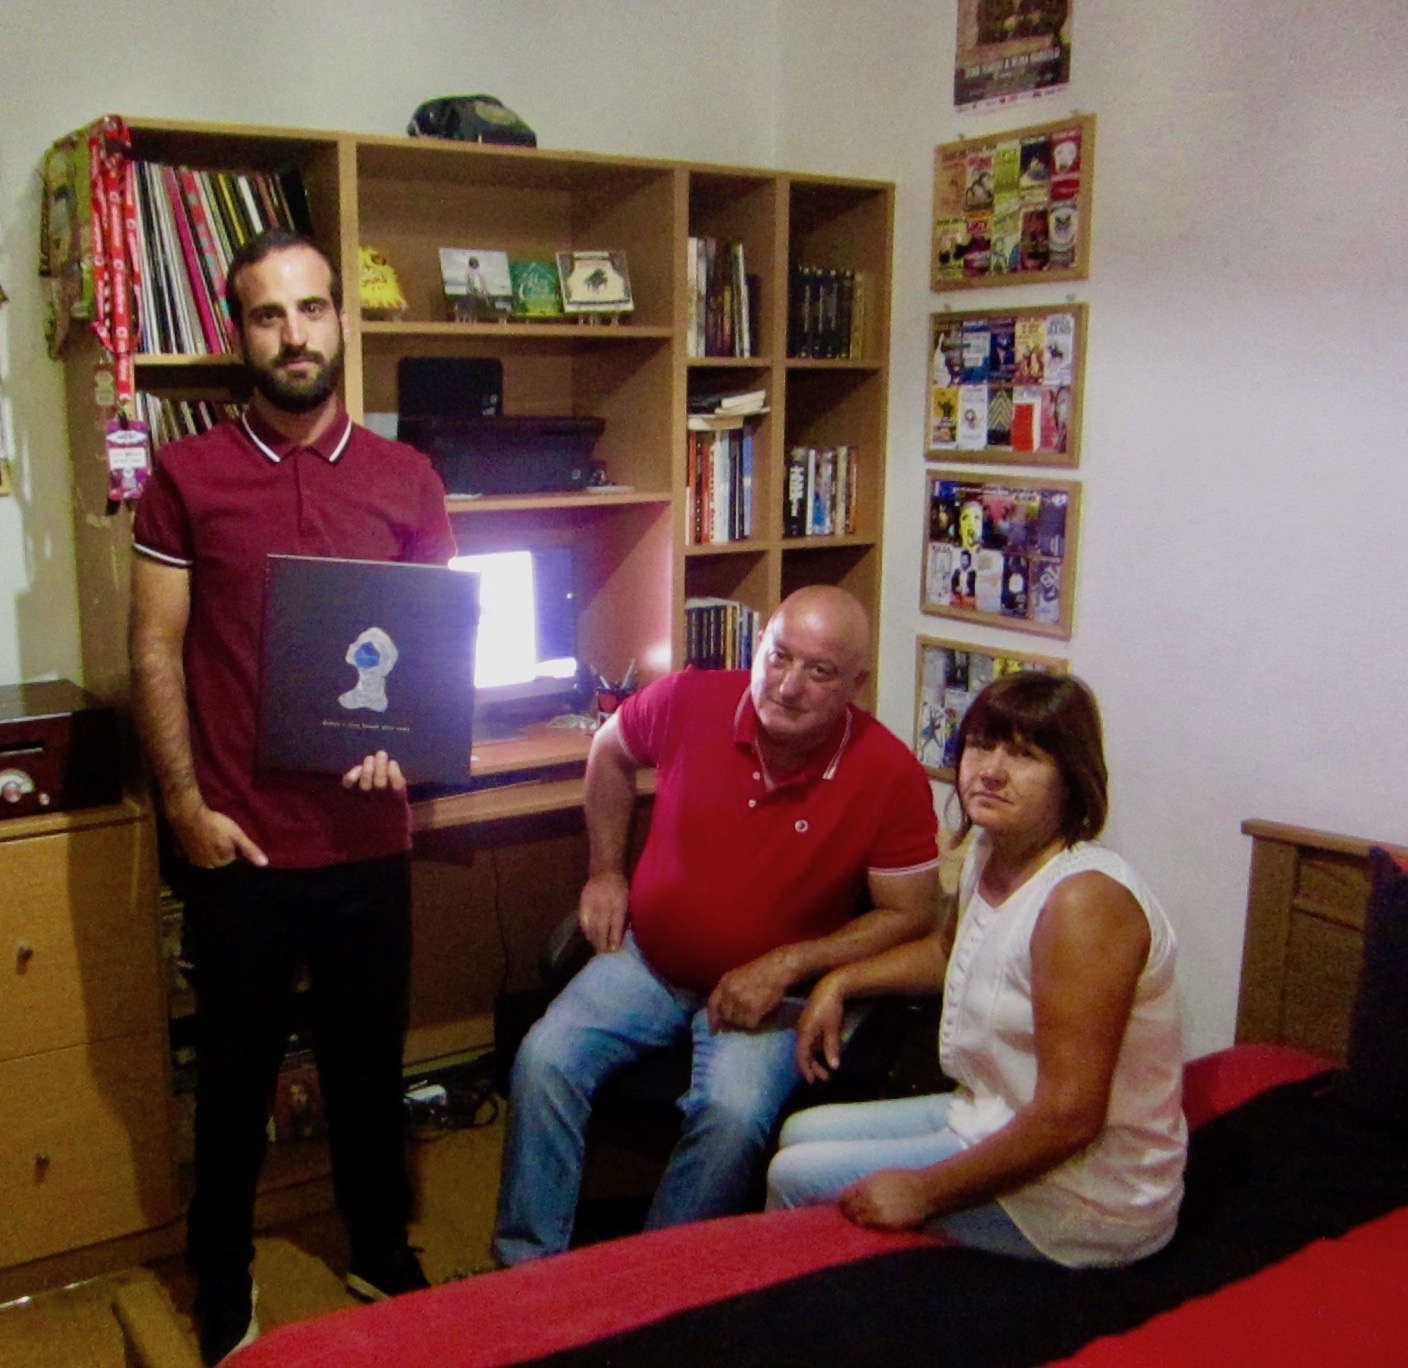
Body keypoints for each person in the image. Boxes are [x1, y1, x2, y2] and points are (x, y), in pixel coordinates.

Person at [128, 229, 456, 1362]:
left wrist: (404, 749)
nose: (295, 334)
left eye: (313, 309)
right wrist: (184, 808)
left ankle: (378, 1245)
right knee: (232, 1083)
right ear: (241, 334)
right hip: (240, 843)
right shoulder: (187, 477)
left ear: (341, 323)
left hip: (368, 838)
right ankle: (222, 1276)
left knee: (371, 1068)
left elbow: (426, 652)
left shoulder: (407, 478)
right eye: (270, 315)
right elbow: (155, 650)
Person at [493, 586, 942, 1266]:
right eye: (778, 657)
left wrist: (788, 964)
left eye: (819, 672)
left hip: (774, 994)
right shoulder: (689, 700)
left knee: (732, 1118)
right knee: (544, 1060)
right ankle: (524, 1268)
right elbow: (609, 751)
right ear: (757, 647)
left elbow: (910, 915)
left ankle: (660, 1286)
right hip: (651, 961)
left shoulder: (888, 773)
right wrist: (605, 871)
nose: (787, 686)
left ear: (856, 684)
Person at [766, 672, 1186, 1268]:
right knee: (800, 1132)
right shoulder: (990, 848)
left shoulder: (1083, 903)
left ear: (1073, 778)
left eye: (1024, 755)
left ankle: (780, 1306)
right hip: (995, 1113)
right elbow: (951, 953)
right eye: (981, 746)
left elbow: (1071, 1117)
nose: (990, 771)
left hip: (1086, 1190)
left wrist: (924, 1191)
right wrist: (841, 981)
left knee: (794, 1174)